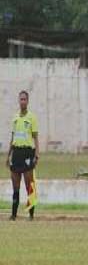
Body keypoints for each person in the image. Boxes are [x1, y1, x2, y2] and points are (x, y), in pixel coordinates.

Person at [6, 90, 39, 221]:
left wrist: (37, 154)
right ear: (18, 101)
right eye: (21, 99)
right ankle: (13, 214)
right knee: (15, 185)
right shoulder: (15, 118)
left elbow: (36, 137)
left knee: (29, 184)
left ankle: (31, 214)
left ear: (28, 101)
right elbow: (13, 137)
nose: (23, 101)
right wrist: (8, 155)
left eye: (25, 99)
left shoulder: (32, 118)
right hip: (16, 153)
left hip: (27, 153)